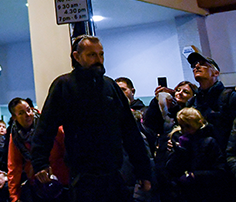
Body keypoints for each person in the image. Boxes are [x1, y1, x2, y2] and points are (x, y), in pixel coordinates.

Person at [30, 36, 151, 202]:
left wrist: (143, 171)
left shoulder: (110, 86)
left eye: (101, 54)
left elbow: (130, 131)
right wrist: (40, 162)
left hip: (114, 172)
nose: (98, 60)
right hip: (83, 175)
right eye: (92, 55)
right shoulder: (64, 86)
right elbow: (45, 127)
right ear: (77, 57)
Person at [7, 97, 68, 202]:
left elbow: (66, 148)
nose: (28, 115)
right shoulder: (16, 137)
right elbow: (14, 166)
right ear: (14, 117)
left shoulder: (47, 125)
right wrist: (14, 196)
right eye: (21, 113)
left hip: (62, 180)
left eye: (28, 110)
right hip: (38, 185)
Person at [163, 107, 225, 202]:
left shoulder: (209, 141)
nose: (184, 130)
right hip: (181, 192)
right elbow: (169, 168)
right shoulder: (176, 138)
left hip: (204, 191)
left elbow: (220, 171)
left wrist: (195, 176)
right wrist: (179, 151)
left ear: (197, 124)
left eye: (188, 126)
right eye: (181, 126)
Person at [184, 52, 236, 149]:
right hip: (200, 158)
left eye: (203, 64)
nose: (197, 66)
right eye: (194, 65)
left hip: (226, 157)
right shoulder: (192, 102)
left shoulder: (231, 98)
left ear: (216, 73)